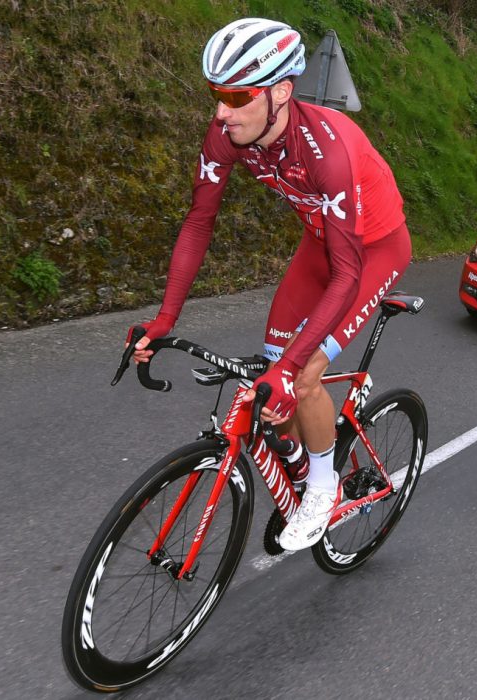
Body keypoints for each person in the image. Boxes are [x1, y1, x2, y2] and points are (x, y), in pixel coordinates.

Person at [130, 18, 412, 550]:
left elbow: (348, 272)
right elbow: (198, 222)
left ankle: (323, 484)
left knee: (301, 373)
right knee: (270, 372)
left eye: (237, 96)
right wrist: (165, 318)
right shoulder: (228, 134)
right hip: (319, 240)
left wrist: (291, 370)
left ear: (282, 92)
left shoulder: (329, 152)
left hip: (373, 250)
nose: (220, 111)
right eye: (216, 94)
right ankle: (303, 469)